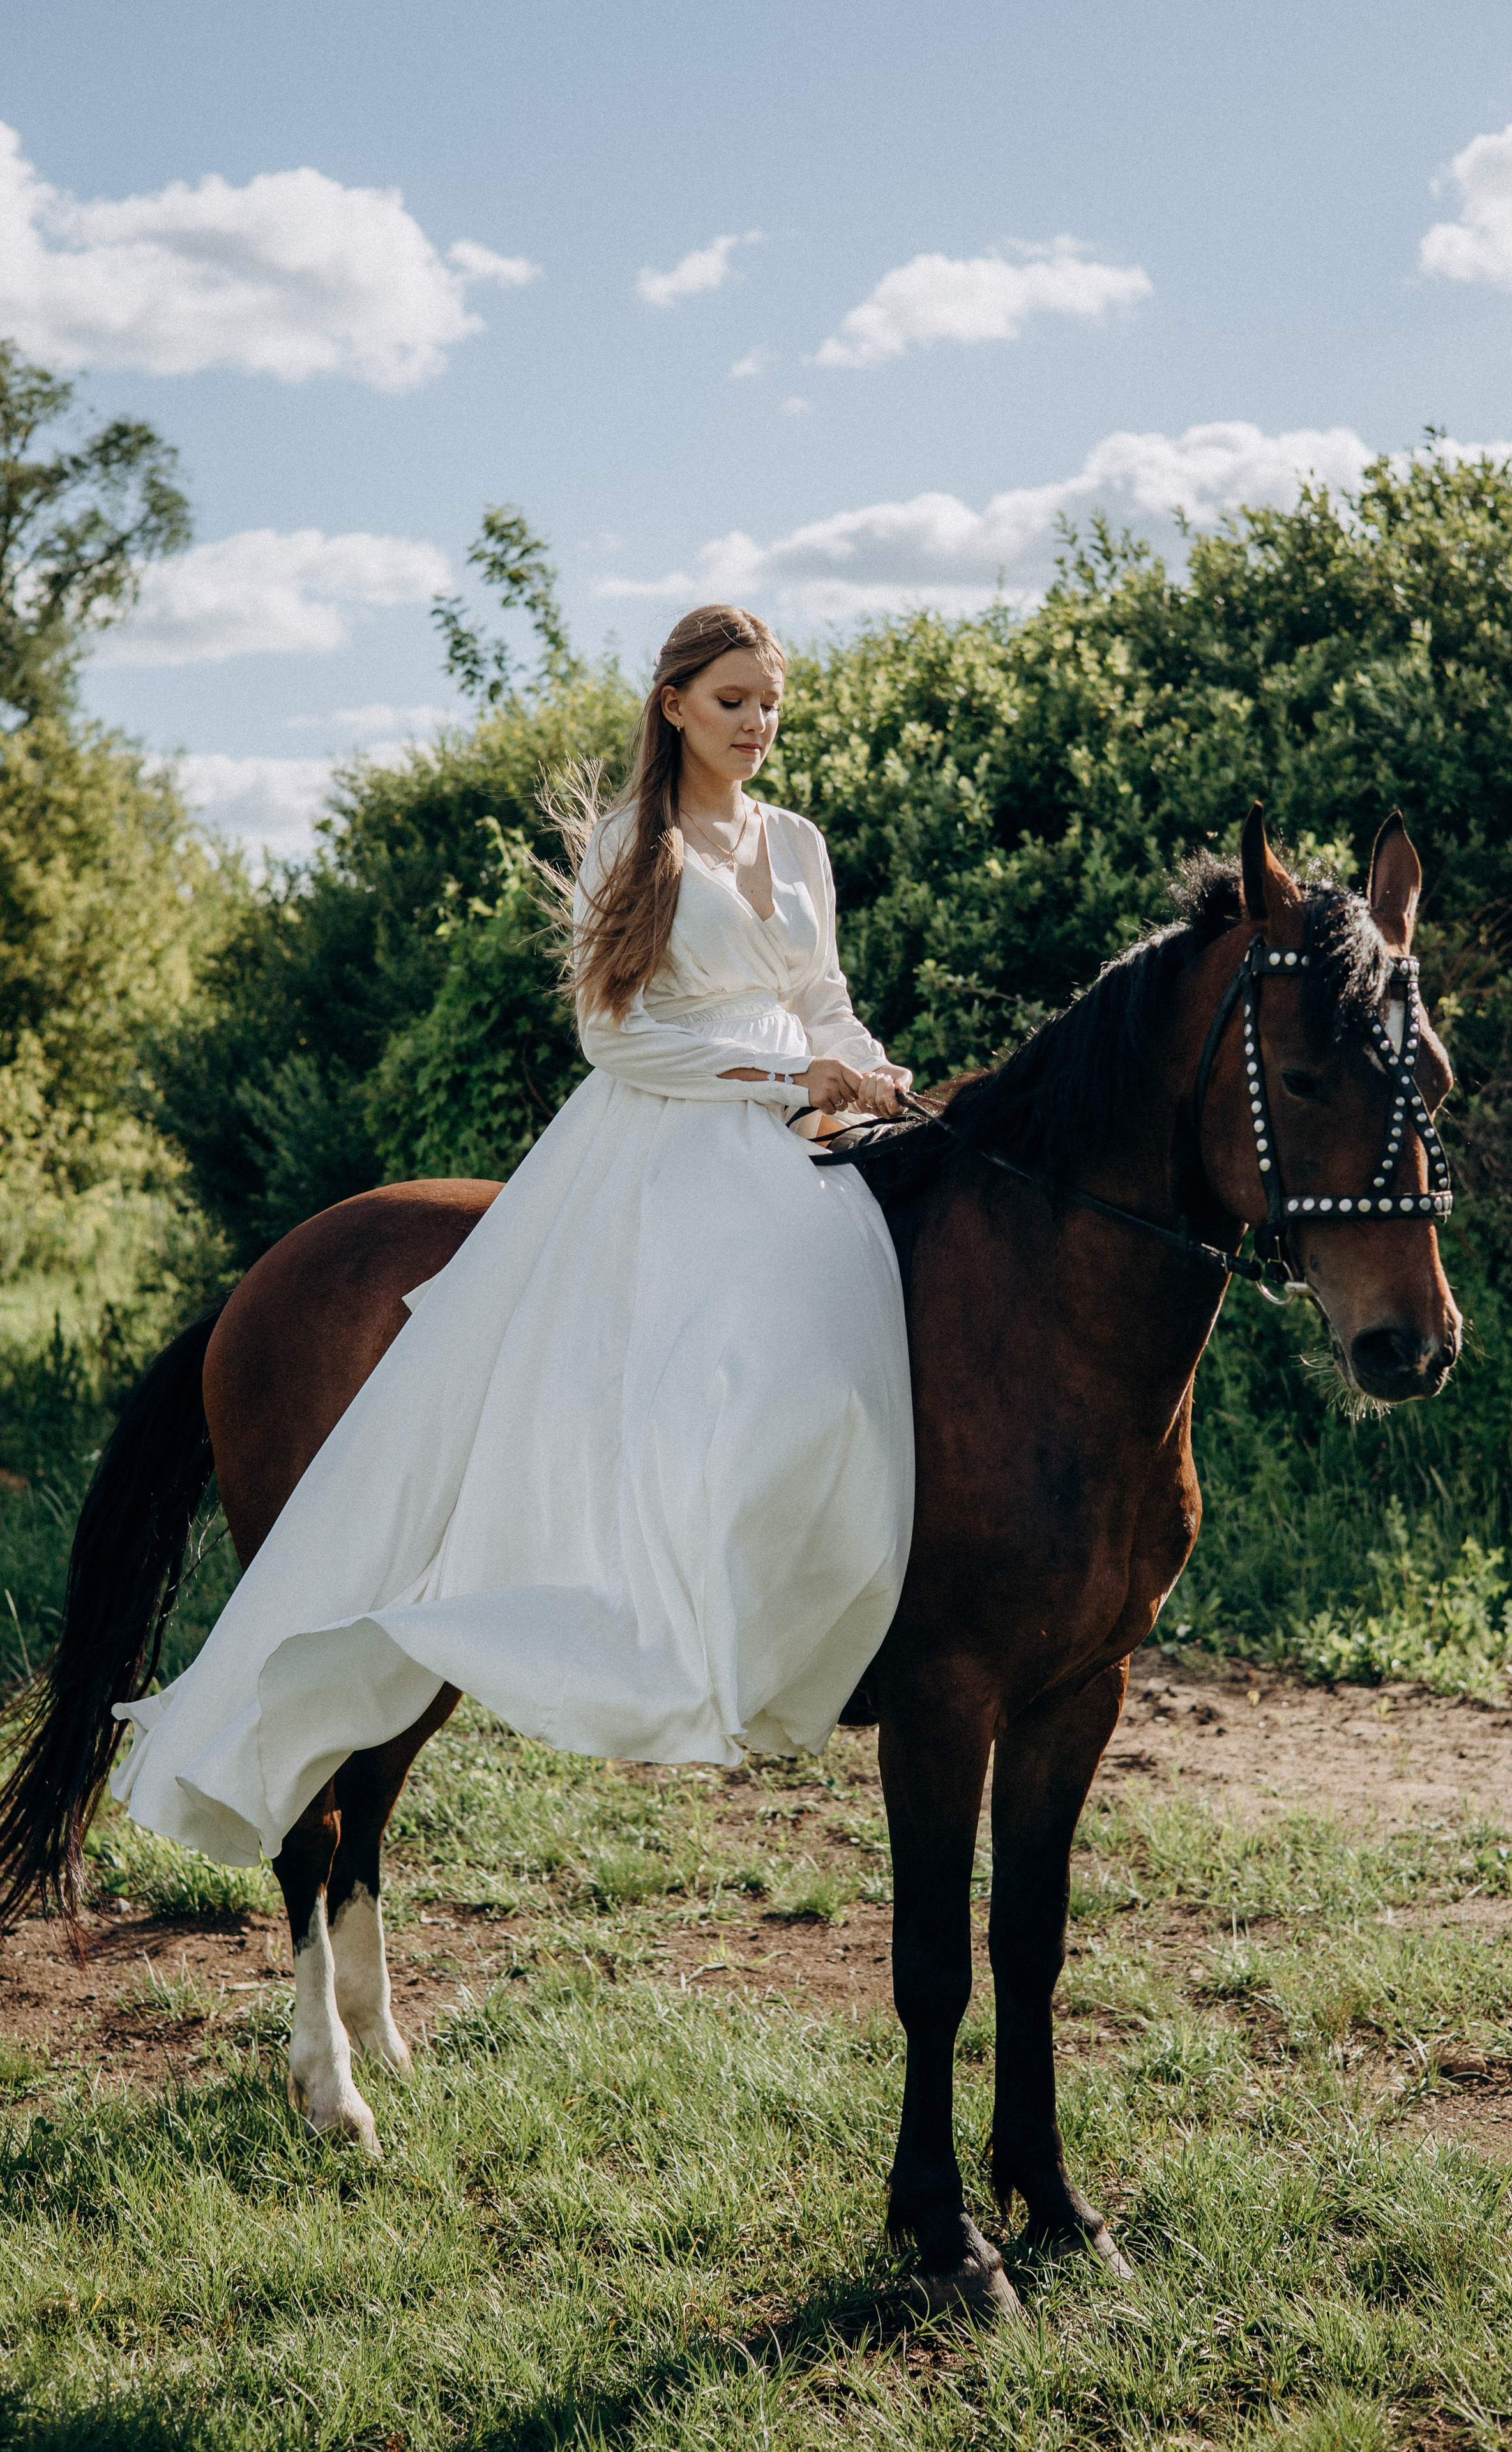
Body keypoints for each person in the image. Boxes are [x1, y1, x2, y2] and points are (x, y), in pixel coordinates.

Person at [110, 604, 917, 1865]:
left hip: (802, 1133)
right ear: (672, 706)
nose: (755, 727)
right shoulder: (628, 849)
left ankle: (806, 1636)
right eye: (730, 703)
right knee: (735, 1366)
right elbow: (614, 1037)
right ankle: (648, 1616)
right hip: (672, 1132)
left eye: (769, 705)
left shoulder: (798, 841)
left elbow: (825, 998)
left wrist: (868, 1073)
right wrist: (782, 1078)